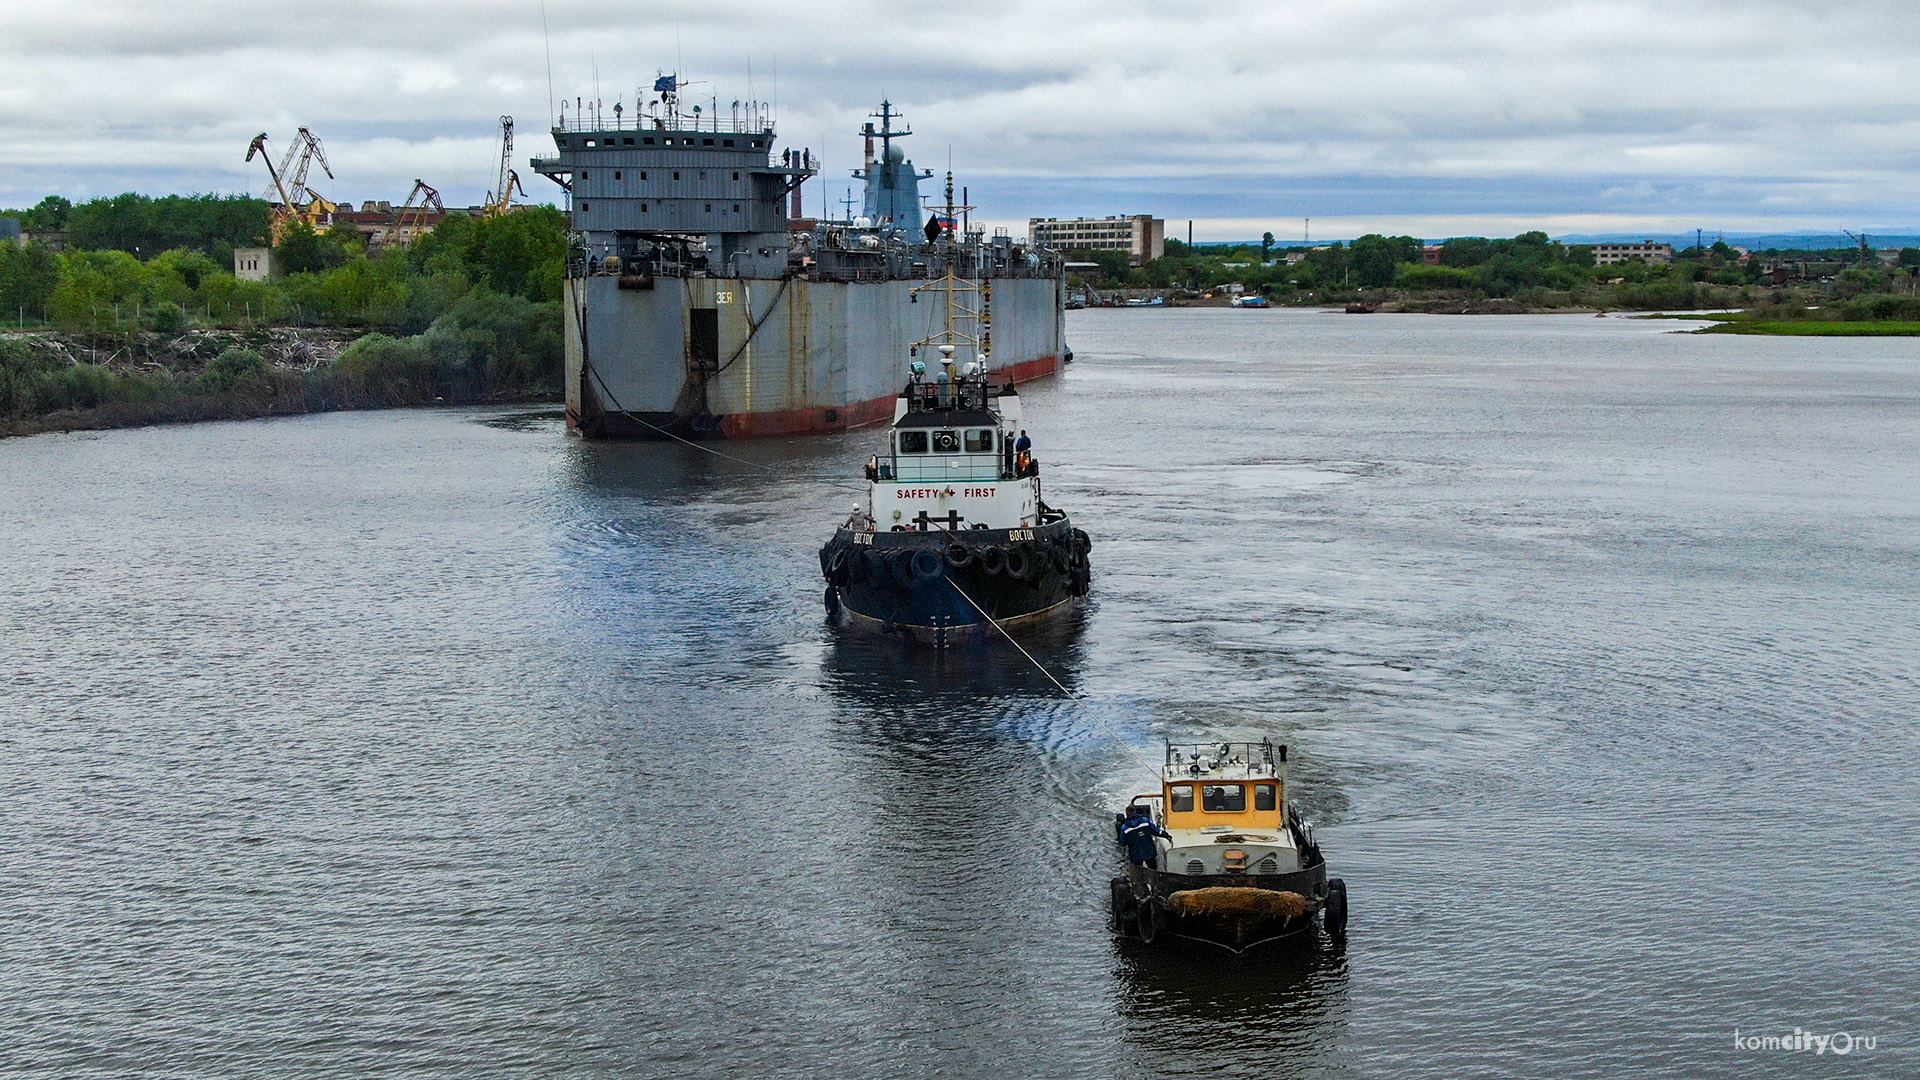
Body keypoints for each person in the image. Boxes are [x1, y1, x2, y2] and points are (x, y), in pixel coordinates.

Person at [1117, 804, 1171, 899]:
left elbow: (1123, 842)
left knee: (1139, 874)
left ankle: (1143, 893)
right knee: (1153, 870)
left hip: (1136, 854)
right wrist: (1166, 835)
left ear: (1127, 814)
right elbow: (1156, 831)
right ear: (1135, 812)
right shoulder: (1145, 821)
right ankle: (1156, 890)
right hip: (1149, 851)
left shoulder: (1124, 828)